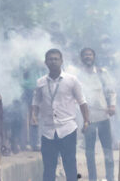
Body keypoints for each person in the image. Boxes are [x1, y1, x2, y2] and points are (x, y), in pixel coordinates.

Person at [31, 48, 90, 181]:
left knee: (70, 165)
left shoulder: (72, 80)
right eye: (50, 59)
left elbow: (82, 102)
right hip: (48, 130)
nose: (53, 61)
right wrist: (33, 116)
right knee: (48, 168)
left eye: (56, 59)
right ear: (46, 62)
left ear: (61, 61)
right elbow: (35, 102)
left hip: (67, 128)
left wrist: (86, 121)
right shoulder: (40, 82)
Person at [76, 47, 117, 181]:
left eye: (90, 54)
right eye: (85, 55)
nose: (88, 57)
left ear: (94, 57)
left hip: (103, 117)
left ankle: (110, 178)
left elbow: (111, 90)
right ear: (82, 58)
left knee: (107, 150)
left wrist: (112, 105)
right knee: (89, 152)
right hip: (88, 118)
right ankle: (92, 179)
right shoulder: (77, 76)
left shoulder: (102, 73)